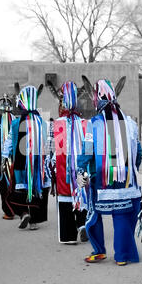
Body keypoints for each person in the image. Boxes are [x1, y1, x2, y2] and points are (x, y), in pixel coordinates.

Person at [77, 77, 142, 265]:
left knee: (94, 213)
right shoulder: (129, 123)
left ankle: (99, 250)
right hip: (126, 179)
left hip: (101, 179)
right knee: (121, 214)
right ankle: (122, 256)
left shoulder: (94, 123)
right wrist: (131, 171)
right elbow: (137, 152)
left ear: (97, 101)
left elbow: (87, 152)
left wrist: (81, 170)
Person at [2, 84, 50, 230]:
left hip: (20, 164)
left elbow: (9, 141)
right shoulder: (42, 123)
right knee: (36, 188)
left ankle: (23, 213)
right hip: (38, 162)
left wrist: (4, 157)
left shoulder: (16, 123)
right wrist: (49, 160)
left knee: (18, 189)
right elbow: (49, 142)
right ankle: (34, 221)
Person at [47, 80, 88, 244]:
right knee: (81, 191)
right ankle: (83, 224)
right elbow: (89, 148)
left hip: (63, 169)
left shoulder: (56, 124)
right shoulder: (85, 123)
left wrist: (50, 167)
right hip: (81, 166)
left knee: (65, 197)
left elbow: (50, 149)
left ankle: (69, 235)